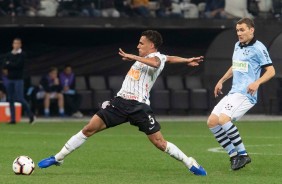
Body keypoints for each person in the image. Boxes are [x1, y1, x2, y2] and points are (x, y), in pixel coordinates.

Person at [38, 30, 207, 176]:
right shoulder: (157, 57)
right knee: (88, 129)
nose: (138, 46)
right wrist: (186, 60)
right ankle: (58, 158)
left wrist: (132, 56)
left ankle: (190, 163)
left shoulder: (155, 57)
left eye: (141, 44)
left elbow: (157, 62)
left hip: (139, 106)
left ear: (152, 45)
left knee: (159, 143)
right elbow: (168, 58)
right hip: (119, 103)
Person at [207, 18, 275, 171]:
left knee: (224, 119)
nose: (239, 33)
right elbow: (235, 66)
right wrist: (221, 80)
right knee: (212, 121)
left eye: (242, 30)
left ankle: (243, 155)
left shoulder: (258, 48)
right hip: (233, 92)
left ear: (252, 30)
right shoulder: (237, 45)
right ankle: (233, 155)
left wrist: (257, 83)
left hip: (246, 94)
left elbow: (271, 71)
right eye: (237, 30)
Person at [1, 38, 34, 124]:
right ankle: (13, 119)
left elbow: (18, 65)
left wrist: (9, 64)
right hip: (10, 79)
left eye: (18, 43)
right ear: (13, 44)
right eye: (14, 43)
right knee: (10, 99)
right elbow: (4, 65)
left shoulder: (22, 54)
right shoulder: (9, 54)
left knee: (20, 98)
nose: (16, 45)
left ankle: (30, 115)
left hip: (18, 79)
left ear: (20, 45)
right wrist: (10, 64)